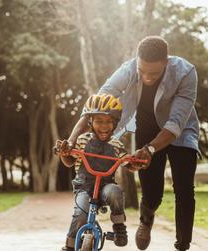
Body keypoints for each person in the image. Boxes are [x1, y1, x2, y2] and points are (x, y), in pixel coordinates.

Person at [65, 36, 199, 250]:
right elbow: (96, 104)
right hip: (147, 129)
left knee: (184, 188)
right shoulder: (128, 70)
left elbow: (176, 123)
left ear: (166, 62)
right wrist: (72, 139)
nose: (146, 77)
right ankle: (147, 220)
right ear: (137, 61)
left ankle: (183, 244)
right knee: (152, 193)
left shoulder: (185, 72)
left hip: (181, 132)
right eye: (142, 70)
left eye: (153, 73)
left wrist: (151, 149)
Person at [56, 94, 141, 251]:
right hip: (84, 188)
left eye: (109, 121)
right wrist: (64, 153)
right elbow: (69, 162)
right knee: (80, 214)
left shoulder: (116, 144)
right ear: (90, 122)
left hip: (105, 188)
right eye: (99, 121)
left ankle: (119, 226)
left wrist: (136, 163)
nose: (104, 126)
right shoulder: (82, 140)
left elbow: (128, 163)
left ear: (115, 123)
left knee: (115, 191)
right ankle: (69, 246)